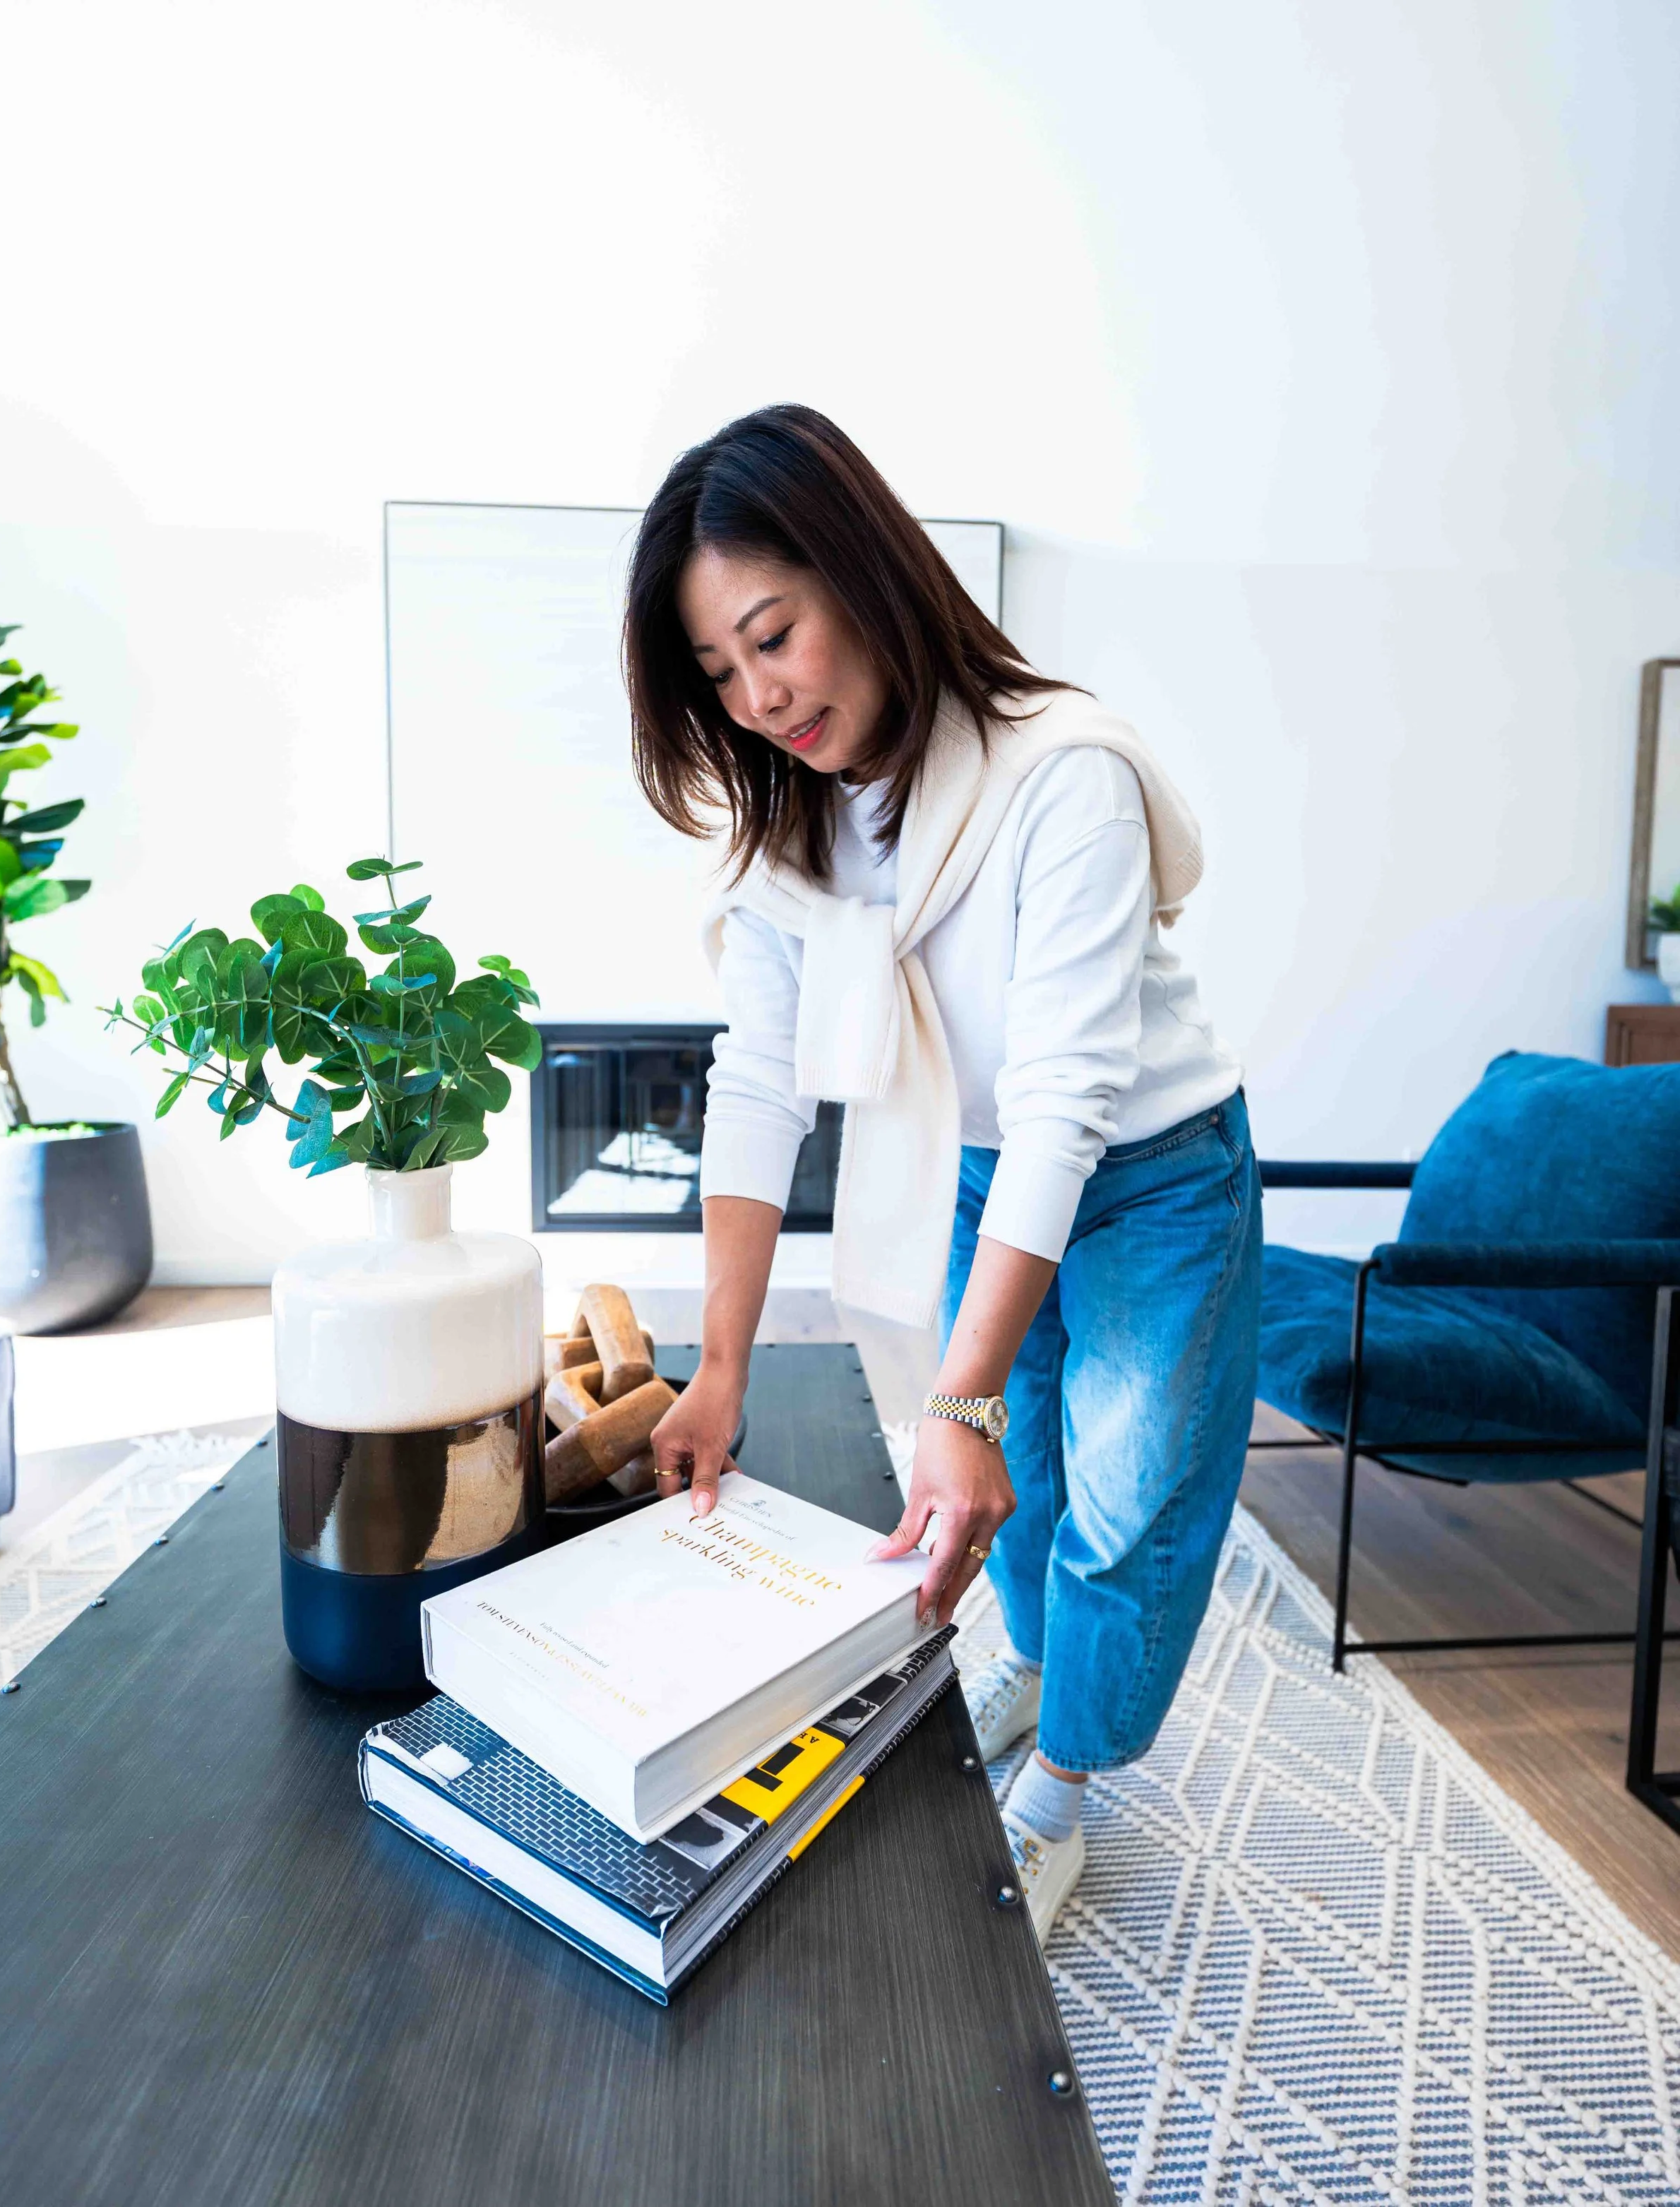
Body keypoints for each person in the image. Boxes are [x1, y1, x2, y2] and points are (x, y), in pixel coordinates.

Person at [625, 405, 1261, 1939]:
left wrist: (953, 1398)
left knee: (1124, 1502)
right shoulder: (793, 825)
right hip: (984, 1166)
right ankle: (1033, 1678)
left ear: (861, 571)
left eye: (770, 634)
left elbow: (1066, 1096)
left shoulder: (1065, 771)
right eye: (717, 670)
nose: (757, 693)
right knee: (1016, 1485)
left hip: (1152, 1175)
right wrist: (718, 1368)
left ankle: (1059, 1792)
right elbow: (758, 1087)